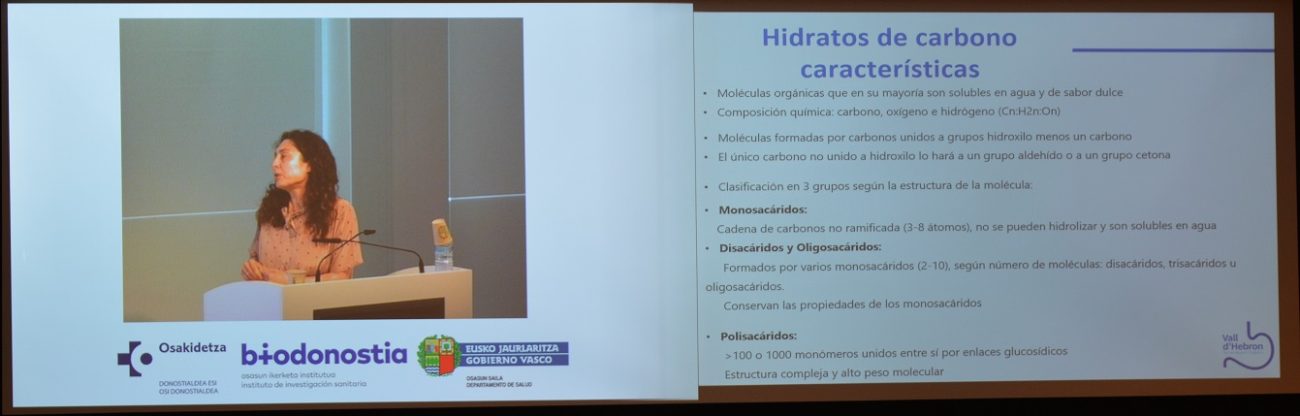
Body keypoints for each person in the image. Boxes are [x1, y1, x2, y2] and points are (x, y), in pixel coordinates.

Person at [241, 130, 362, 283]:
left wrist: (288, 280)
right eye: (275, 157)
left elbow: (342, 277)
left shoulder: (340, 211)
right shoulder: (270, 211)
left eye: (284, 156)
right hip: (269, 298)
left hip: (317, 299)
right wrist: (252, 268)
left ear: (310, 164)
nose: (275, 164)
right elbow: (255, 260)